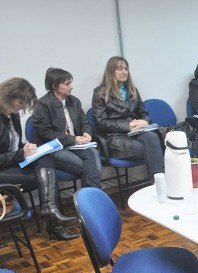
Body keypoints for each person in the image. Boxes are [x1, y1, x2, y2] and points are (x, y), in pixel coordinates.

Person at [0, 77, 77, 240]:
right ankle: (53, 222)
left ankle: (49, 212)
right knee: (45, 178)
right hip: (2, 170)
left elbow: (11, 144)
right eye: (21, 103)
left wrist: (25, 148)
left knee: (46, 161)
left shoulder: (11, 115)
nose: (21, 109)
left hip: (11, 163)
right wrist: (21, 153)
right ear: (9, 96)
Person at [92, 56, 164, 178]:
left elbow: (144, 113)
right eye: (120, 69)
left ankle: (158, 184)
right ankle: (157, 184)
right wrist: (128, 125)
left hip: (136, 131)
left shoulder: (133, 90)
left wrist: (145, 122)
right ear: (111, 71)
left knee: (153, 139)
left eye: (126, 68)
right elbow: (101, 123)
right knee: (147, 149)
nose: (124, 72)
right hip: (114, 137)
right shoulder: (100, 93)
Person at [31, 68, 102, 189]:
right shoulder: (43, 104)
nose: (71, 86)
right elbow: (45, 133)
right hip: (54, 148)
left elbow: (85, 123)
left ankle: (90, 199)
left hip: (76, 145)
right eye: (67, 84)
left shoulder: (74, 101)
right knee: (90, 167)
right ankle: (93, 197)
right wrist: (73, 139)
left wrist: (86, 133)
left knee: (93, 154)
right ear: (54, 86)